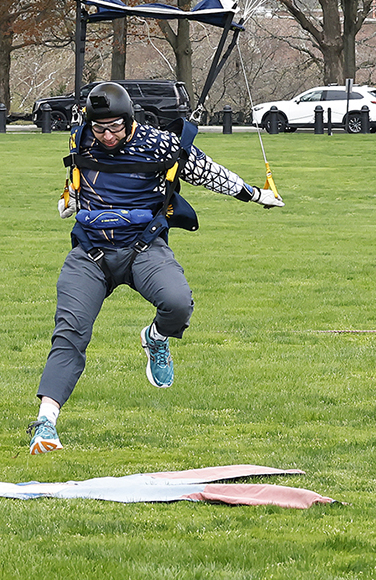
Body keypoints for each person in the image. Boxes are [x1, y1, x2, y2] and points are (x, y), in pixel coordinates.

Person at [29, 81, 281, 453]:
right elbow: (79, 179)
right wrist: (67, 200)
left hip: (142, 248)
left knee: (178, 304)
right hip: (90, 252)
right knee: (70, 332)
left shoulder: (160, 143)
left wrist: (257, 194)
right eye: (100, 129)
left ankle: (157, 338)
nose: (107, 136)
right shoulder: (80, 138)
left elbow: (209, 174)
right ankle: (45, 424)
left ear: (129, 120)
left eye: (115, 127)